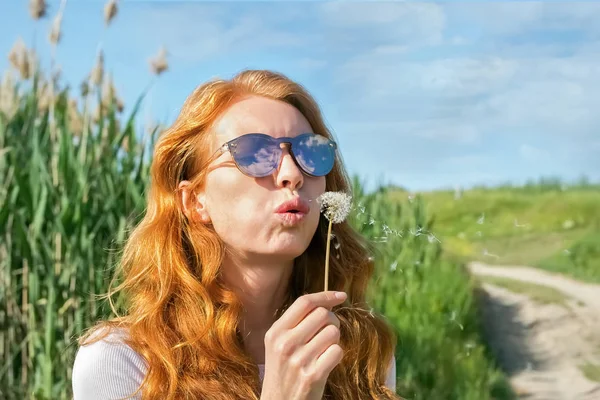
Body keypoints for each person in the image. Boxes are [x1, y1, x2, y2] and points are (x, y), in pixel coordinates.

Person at [71, 69, 400, 400]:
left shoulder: (359, 352)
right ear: (195, 201)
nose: (292, 174)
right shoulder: (125, 362)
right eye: (255, 153)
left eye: (309, 153)